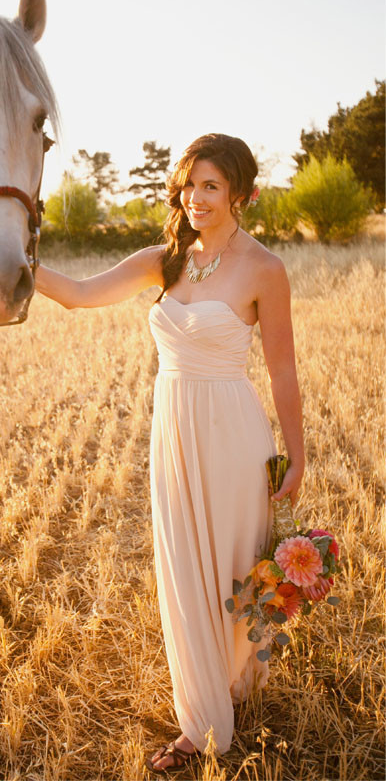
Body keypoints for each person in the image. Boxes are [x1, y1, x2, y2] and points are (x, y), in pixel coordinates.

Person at [35, 133, 304, 774]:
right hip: (174, 431)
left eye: (211, 186)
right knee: (185, 568)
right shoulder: (165, 261)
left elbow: (283, 369)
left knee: (236, 564)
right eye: (188, 184)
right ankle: (204, 721)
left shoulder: (265, 269)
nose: (195, 197)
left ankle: (234, 683)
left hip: (234, 433)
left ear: (242, 194)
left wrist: (297, 455)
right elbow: (78, 293)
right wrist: (15, 257)